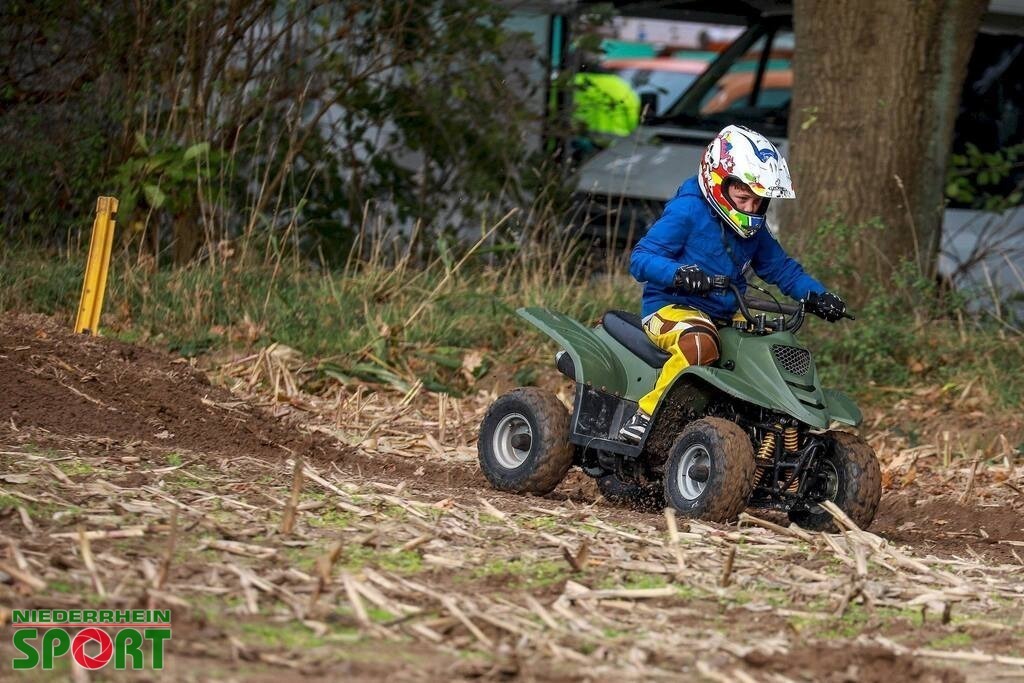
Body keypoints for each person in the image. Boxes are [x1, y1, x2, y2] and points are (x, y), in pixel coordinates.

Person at [618, 124, 847, 443]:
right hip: (669, 309)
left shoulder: (754, 231)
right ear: (719, 182)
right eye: (743, 198)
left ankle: (768, 434)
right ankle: (646, 417)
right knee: (699, 342)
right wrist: (679, 273)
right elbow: (640, 259)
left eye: (759, 202)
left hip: (726, 313)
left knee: (774, 347)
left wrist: (819, 296)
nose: (751, 210)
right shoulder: (688, 210)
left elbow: (782, 269)